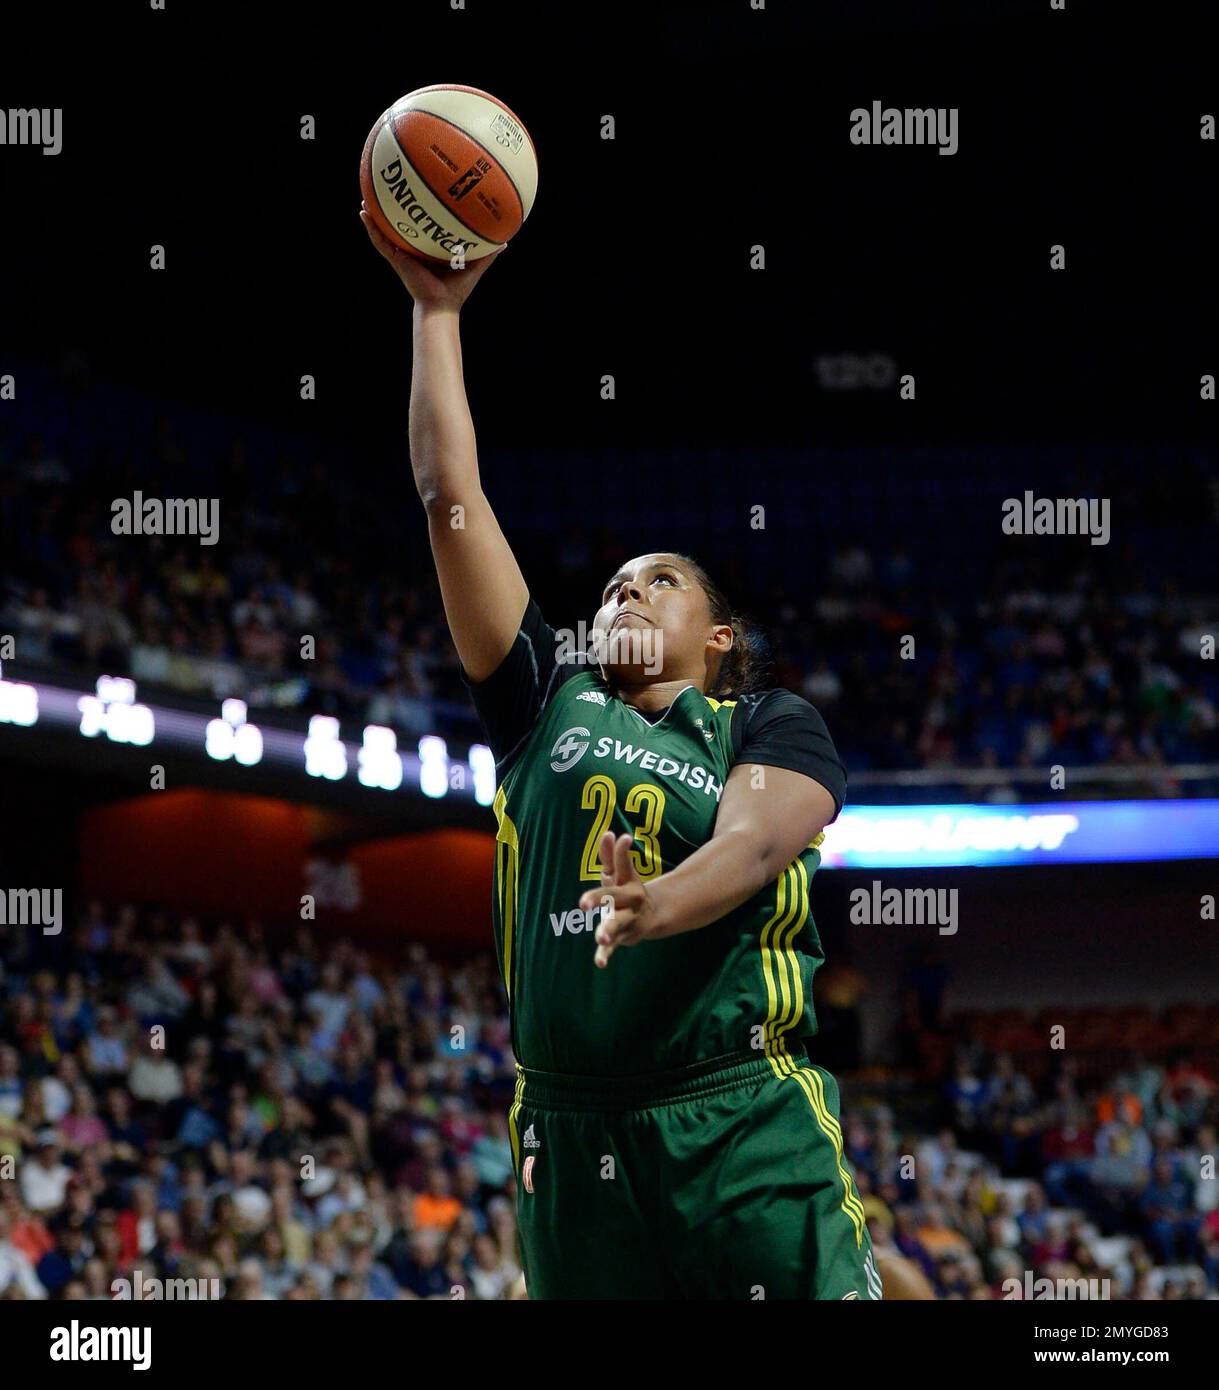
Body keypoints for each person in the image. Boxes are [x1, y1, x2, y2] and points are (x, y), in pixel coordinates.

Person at [361, 209, 879, 1300]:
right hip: (566, 1120)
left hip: (737, 1112)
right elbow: (449, 495)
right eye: (610, 585)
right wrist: (435, 310)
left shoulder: (766, 723)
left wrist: (657, 905)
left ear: (718, 637)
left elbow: (749, 846)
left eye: (658, 580)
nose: (623, 592)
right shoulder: (542, 696)